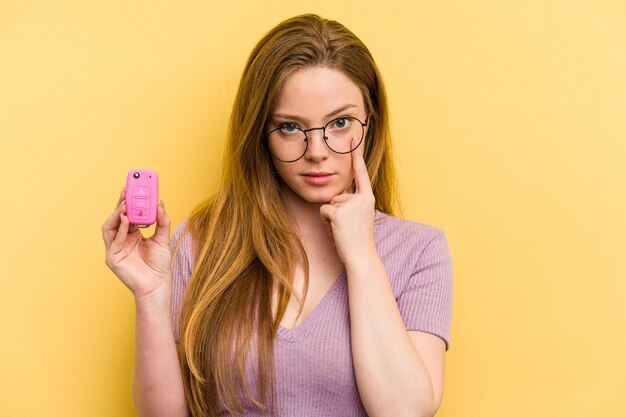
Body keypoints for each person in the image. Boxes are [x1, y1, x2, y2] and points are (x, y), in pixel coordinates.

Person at [102, 13, 453, 417]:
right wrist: (150, 297)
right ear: (260, 134)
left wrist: (361, 255)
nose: (317, 151)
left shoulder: (420, 251)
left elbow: (405, 411)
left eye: (339, 123)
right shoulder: (202, 242)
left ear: (369, 124)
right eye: (289, 127)